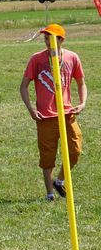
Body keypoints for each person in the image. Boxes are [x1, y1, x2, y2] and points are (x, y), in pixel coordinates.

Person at [19, 24, 87, 201]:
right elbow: (23, 86)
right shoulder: (37, 59)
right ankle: (50, 194)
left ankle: (60, 180)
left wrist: (82, 103)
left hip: (67, 114)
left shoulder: (72, 57)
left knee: (75, 150)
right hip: (45, 117)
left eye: (52, 38)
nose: (48, 41)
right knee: (47, 156)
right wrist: (31, 109)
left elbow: (81, 83)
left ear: (61, 40)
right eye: (45, 37)